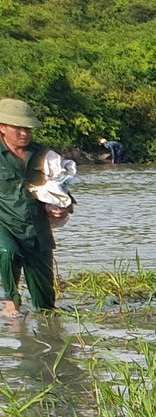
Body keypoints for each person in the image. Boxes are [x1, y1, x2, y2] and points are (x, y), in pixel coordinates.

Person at [0, 99, 73, 317]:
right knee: (7, 253)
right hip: (4, 223)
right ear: (2, 127)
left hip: (36, 228)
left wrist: (62, 208)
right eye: (18, 128)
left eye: (28, 128)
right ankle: (10, 301)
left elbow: (60, 189)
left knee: (46, 308)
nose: (24, 133)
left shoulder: (44, 156)